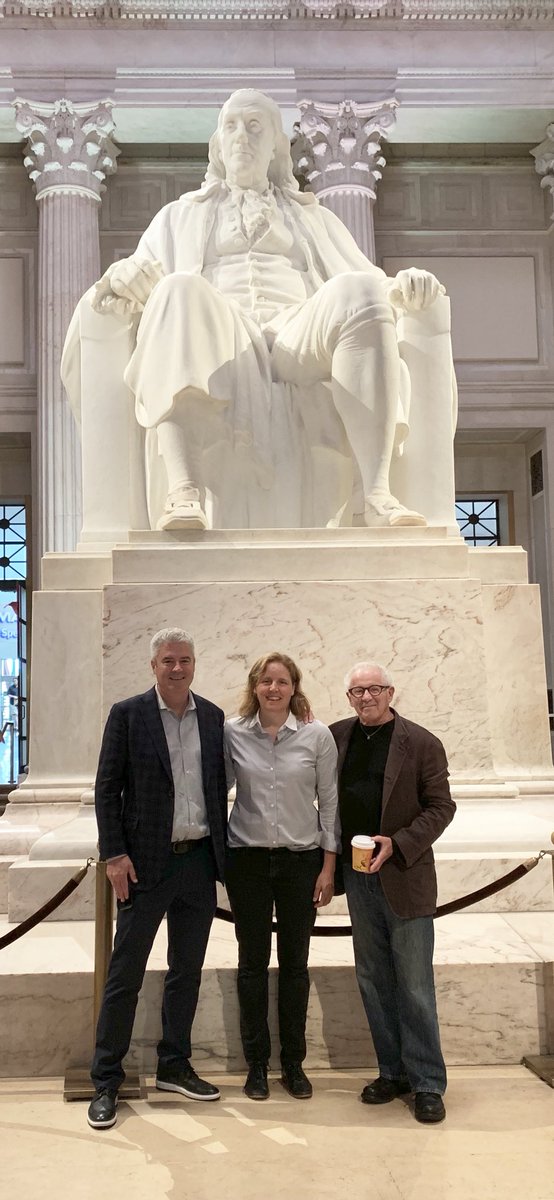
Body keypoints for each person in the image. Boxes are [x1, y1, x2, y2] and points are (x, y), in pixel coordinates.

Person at [67, 88, 452, 533]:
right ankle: (184, 490)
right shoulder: (177, 216)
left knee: (362, 292)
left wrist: (404, 286)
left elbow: (368, 277)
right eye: (231, 127)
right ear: (217, 145)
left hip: (295, 334)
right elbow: (136, 275)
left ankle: (376, 494)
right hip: (221, 338)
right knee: (176, 289)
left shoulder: (314, 217)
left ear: (276, 147)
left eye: (254, 127)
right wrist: (120, 276)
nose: (241, 137)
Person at [87, 628, 228, 1130]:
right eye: (168, 660)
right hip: (145, 864)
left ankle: (174, 1065)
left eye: (185, 659)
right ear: (153, 665)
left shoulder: (212, 716)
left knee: (186, 970)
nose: (177, 668)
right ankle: (106, 1079)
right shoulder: (128, 715)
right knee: (125, 974)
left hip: (198, 862)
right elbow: (107, 789)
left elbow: (220, 783)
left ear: (194, 664)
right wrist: (114, 853)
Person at [329, 661, 456, 1124]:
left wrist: (397, 843)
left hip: (405, 876)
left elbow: (442, 807)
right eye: (357, 691)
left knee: (415, 985)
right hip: (358, 876)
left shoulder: (421, 742)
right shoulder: (335, 737)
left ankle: (427, 1082)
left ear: (390, 692)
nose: (366, 697)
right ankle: (392, 1072)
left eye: (375, 689)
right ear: (349, 697)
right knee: (374, 979)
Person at [224, 652, 340, 1101]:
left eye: (282, 681)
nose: (274, 689)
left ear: (295, 687)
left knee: (295, 965)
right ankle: (256, 1064)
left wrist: (328, 867)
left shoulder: (316, 735)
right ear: (254, 686)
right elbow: (216, 787)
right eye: (266, 681)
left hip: (300, 862)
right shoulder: (232, 732)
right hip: (248, 862)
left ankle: (293, 1063)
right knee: (251, 964)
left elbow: (329, 804)